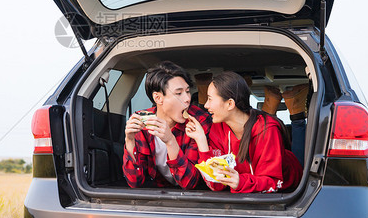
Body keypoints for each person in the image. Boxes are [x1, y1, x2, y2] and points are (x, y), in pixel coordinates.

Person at [185, 71, 302, 193]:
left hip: (287, 191)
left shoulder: (266, 130)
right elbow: (216, 185)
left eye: (210, 99)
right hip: (247, 194)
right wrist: (201, 140)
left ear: (230, 104)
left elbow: (272, 184)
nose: (206, 105)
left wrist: (240, 181)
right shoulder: (217, 129)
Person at [123, 61, 212, 189]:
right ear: (158, 98)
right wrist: (130, 141)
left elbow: (191, 183)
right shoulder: (142, 122)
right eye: (179, 93)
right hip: (160, 195)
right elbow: (134, 182)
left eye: (187, 91)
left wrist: (170, 141)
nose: (187, 98)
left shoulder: (199, 120)